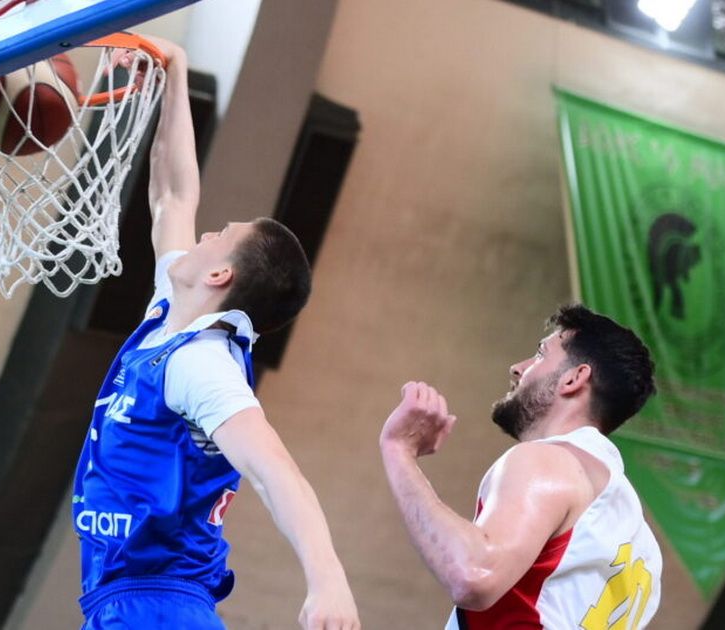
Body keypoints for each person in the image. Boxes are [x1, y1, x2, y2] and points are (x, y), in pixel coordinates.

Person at [71, 37, 359, 630]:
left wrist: (327, 578)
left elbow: (275, 470)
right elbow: (172, 195)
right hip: (127, 600)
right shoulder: (167, 312)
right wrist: (174, 69)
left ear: (220, 275)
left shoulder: (201, 363)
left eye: (219, 236)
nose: (203, 235)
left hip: (158, 605)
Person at [379, 304, 663, 629]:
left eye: (540, 354)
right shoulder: (644, 551)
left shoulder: (550, 461)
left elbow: (473, 575)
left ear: (574, 378)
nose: (517, 368)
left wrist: (398, 450)